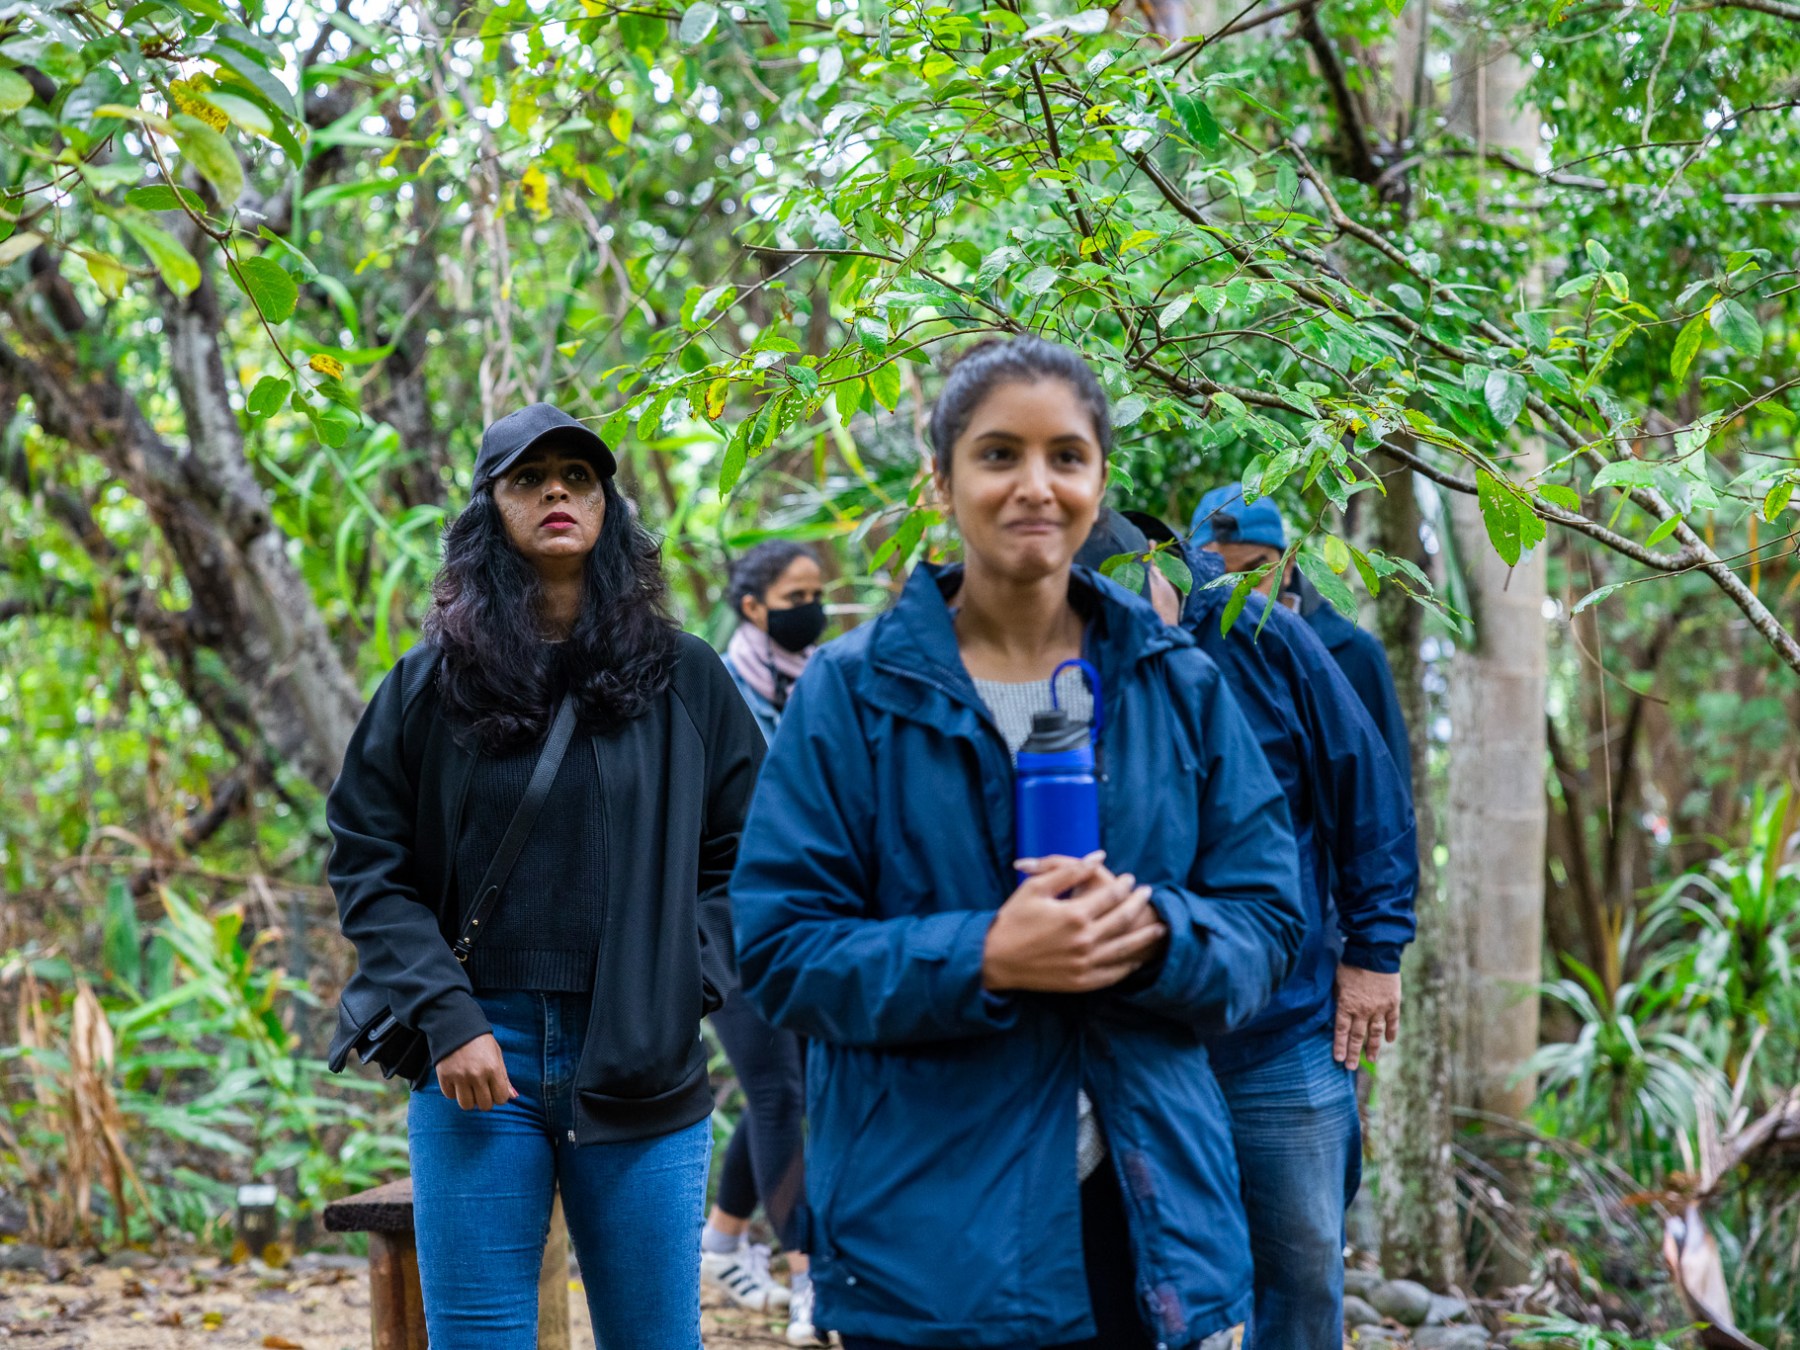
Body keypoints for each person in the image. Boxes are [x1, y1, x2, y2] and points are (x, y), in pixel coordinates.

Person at [730, 337, 1305, 1350]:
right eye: (999, 454)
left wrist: (1159, 937)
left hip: (1149, 1222)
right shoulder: (853, 693)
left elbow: (1266, 919)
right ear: (941, 482)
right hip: (929, 1238)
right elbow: (780, 949)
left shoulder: (1176, 681)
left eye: (1066, 456)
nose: (1035, 485)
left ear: (1098, 481)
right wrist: (985, 955)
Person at [326, 403, 765, 1350]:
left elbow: (752, 853)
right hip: (478, 1058)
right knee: (479, 1337)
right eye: (528, 478)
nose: (556, 492)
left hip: (643, 1059)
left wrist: (681, 981)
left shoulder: (686, 678)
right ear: (489, 511)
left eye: (578, 477)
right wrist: (448, 1018)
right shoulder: (427, 685)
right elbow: (366, 859)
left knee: (654, 1339)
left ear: (607, 507)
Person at [1092, 508, 1417, 1349]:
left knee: (1302, 1266)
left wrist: (1375, 953)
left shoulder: (1263, 632)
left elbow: (1366, 786)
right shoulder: (1057, 652)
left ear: (1161, 570)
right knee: (1143, 1277)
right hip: (1135, 1033)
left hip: (1281, 1026)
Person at [704, 540, 829, 1345]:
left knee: (787, 1088)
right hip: (726, 918)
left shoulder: (822, 682)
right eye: (796, 596)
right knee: (780, 1091)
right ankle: (808, 1277)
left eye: (818, 594)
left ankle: (721, 1243)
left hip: (803, 914)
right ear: (753, 607)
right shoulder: (717, 688)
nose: (812, 609)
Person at [1188, 484, 1410, 777]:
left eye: (1254, 575)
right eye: (1220, 580)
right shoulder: (1186, 654)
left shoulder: (1355, 655)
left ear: (1288, 564)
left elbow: (1388, 781)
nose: (1237, 596)